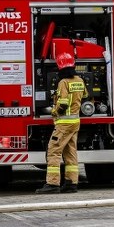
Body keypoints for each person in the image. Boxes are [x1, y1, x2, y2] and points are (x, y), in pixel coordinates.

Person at [36, 52, 87, 194]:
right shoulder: (80, 80)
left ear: (60, 67)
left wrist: (54, 111)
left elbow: (63, 103)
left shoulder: (63, 82)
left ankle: (52, 184)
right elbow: (86, 96)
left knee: (54, 151)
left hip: (64, 122)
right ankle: (71, 183)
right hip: (75, 121)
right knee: (70, 152)